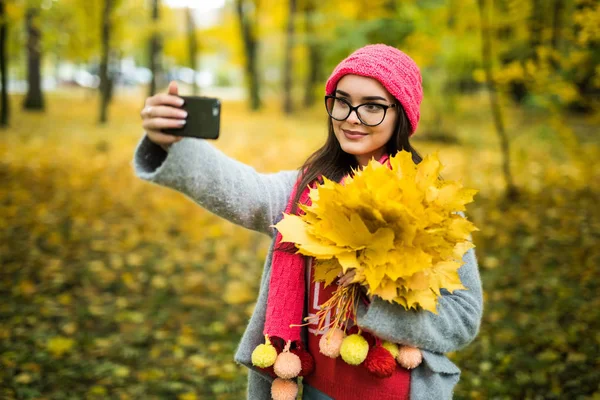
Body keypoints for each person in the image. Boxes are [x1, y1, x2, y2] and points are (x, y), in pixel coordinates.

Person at [133, 44, 483, 400]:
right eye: (342, 101)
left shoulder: (432, 206)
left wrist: (378, 298)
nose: (351, 117)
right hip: (315, 390)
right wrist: (173, 144)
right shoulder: (304, 193)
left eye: (373, 106)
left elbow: (463, 320)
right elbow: (240, 189)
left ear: (402, 115)